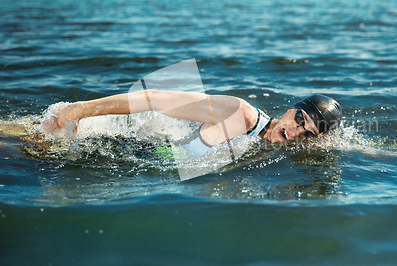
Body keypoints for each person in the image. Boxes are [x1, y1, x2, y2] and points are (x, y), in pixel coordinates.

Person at [43, 90, 342, 157]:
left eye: (307, 132)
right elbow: (154, 98)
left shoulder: (272, 145)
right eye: (300, 119)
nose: (295, 130)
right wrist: (81, 109)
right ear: (291, 109)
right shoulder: (244, 114)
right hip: (123, 140)